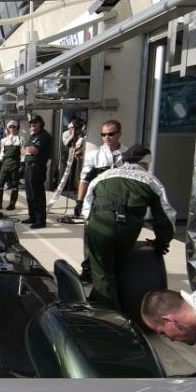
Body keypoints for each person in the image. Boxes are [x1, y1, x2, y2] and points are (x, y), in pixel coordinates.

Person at [81, 144, 175, 312]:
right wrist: (161, 243)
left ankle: (109, 317)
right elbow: (166, 217)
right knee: (114, 268)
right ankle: (106, 312)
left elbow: (86, 210)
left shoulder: (103, 176)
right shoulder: (151, 180)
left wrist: (90, 241)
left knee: (102, 272)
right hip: (128, 229)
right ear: (144, 163)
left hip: (99, 226)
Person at [76, 119, 127, 282]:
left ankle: (115, 268)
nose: (107, 137)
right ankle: (88, 268)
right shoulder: (94, 155)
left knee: (118, 237)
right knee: (91, 234)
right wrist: (79, 201)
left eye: (111, 134)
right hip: (98, 202)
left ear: (119, 134)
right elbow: (84, 179)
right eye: (103, 134)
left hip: (120, 203)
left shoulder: (128, 155)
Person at [22, 116, 52, 228]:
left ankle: (40, 220)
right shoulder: (33, 136)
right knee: (29, 194)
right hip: (29, 165)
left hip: (37, 166)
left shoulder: (44, 136)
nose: (32, 125)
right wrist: (28, 150)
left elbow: (33, 150)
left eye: (35, 122)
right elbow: (23, 150)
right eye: (31, 123)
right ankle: (32, 216)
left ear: (41, 123)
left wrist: (28, 150)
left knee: (37, 194)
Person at [0, 120, 23, 211]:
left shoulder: (20, 139)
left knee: (14, 185)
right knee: (0, 183)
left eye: (14, 127)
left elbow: (23, 152)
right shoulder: (4, 140)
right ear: (8, 129)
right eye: (10, 127)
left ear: (17, 128)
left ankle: (12, 205)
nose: (12, 128)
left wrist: (22, 165)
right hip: (5, 163)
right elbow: (1, 153)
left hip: (15, 164)